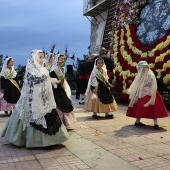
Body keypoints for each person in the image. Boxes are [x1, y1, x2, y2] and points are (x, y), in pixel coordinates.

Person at [1, 50, 69, 148]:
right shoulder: (30, 70)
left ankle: (51, 140)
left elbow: (47, 79)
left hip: (44, 98)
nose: (42, 60)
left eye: (42, 57)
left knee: (48, 114)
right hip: (31, 98)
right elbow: (33, 80)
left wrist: (54, 80)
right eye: (40, 57)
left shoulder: (44, 70)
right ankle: (30, 140)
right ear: (34, 58)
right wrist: (44, 78)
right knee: (29, 116)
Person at [126, 61, 169, 129]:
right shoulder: (149, 75)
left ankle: (139, 121)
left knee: (142, 107)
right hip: (150, 93)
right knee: (153, 108)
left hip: (144, 93)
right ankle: (155, 123)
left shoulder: (143, 75)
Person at [50, 54, 76, 129]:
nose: (63, 61)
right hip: (56, 91)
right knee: (59, 106)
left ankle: (66, 123)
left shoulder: (61, 70)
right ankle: (60, 124)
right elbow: (51, 80)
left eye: (64, 59)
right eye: (61, 59)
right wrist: (57, 82)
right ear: (57, 61)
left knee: (65, 104)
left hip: (61, 89)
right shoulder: (54, 71)